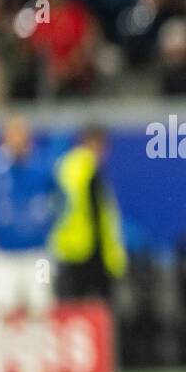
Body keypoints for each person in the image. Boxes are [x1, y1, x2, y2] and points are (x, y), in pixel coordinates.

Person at [0, 116, 61, 372]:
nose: (19, 140)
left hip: (37, 254)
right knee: (0, 311)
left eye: (23, 135)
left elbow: (61, 200)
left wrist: (46, 225)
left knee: (39, 310)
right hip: (5, 254)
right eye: (14, 134)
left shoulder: (41, 167)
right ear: (6, 137)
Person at [51, 126, 126, 302]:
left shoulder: (83, 169)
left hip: (82, 253)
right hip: (77, 254)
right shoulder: (79, 168)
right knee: (79, 311)